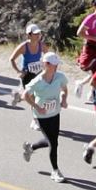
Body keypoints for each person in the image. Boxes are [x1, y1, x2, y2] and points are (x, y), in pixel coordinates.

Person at [21, 52, 70, 182]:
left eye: (56, 64)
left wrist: (64, 99)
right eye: (53, 65)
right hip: (42, 116)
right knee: (54, 143)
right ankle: (55, 171)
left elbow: (64, 88)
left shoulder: (60, 77)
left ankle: (31, 147)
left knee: (52, 140)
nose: (56, 67)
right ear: (46, 64)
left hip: (55, 113)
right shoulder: (37, 81)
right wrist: (36, 107)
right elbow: (25, 95)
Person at [7, 23, 47, 107]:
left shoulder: (41, 45)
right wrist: (19, 71)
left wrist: (45, 67)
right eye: (35, 34)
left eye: (38, 33)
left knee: (37, 96)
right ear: (29, 35)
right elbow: (12, 59)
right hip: (27, 74)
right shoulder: (23, 47)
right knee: (32, 98)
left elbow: (48, 57)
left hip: (38, 73)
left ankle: (19, 97)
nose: (38, 36)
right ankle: (36, 117)